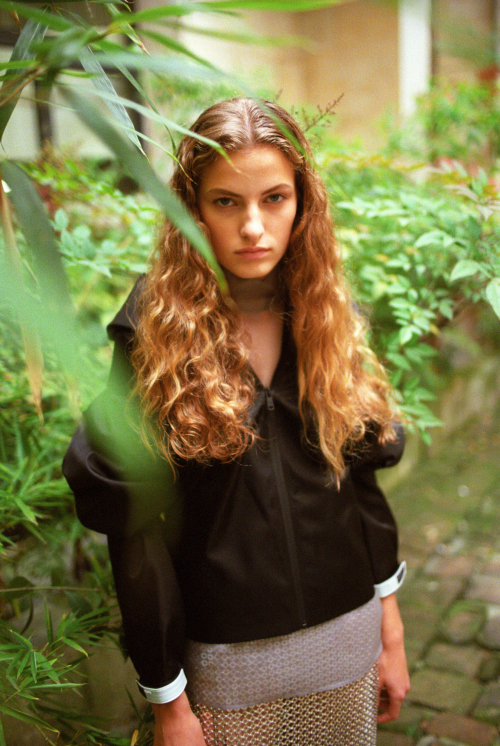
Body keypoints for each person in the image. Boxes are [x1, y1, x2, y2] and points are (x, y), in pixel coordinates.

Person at [63, 97, 410, 746]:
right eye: (227, 202)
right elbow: (136, 533)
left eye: (274, 198)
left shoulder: (327, 315)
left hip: (349, 641)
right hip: (229, 667)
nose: (253, 226)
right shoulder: (151, 336)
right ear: (192, 210)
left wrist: (390, 632)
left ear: (302, 203)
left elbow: (361, 485)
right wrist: (169, 701)